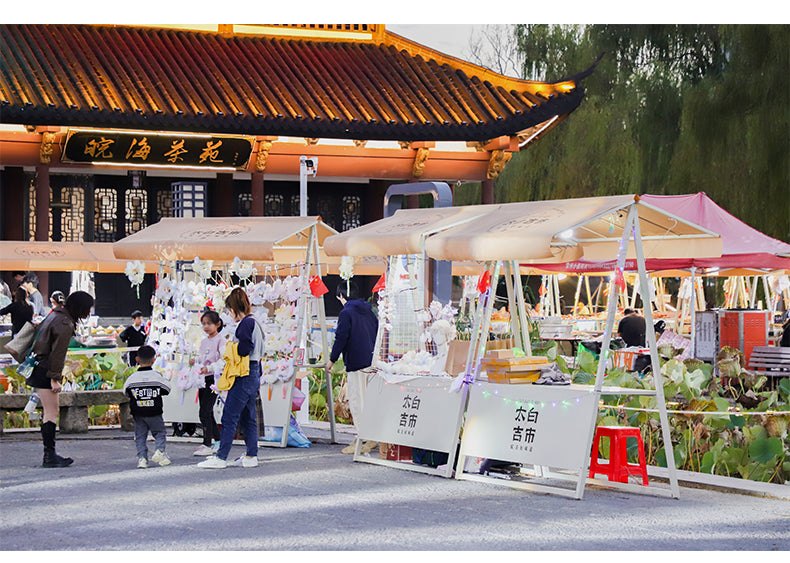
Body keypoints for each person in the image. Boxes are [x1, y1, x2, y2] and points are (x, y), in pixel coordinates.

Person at [27, 290, 94, 467]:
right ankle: (49, 456)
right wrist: (55, 378)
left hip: (39, 366)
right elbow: (58, 353)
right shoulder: (65, 323)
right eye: (88, 308)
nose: (88, 313)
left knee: (50, 410)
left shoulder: (55, 315)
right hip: (46, 369)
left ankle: (49, 454)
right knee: (51, 411)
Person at [198, 287, 263, 469]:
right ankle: (251, 456)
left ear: (233, 308)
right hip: (254, 372)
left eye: (228, 310)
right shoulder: (255, 323)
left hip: (243, 373)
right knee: (248, 416)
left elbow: (244, 349)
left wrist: (230, 348)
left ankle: (221, 457)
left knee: (229, 416)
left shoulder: (245, 324)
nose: (228, 314)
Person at [326, 281, 379, 455]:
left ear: (342, 296)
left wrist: (332, 360)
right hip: (372, 362)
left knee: (357, 401)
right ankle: (369, 437)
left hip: (356, 362)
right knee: (369, 401)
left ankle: (362, 439)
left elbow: (341, 337)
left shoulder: (346, 312)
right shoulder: (370, 311)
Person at [122, 344, 172, 468]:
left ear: (137, 359)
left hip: (138, 413)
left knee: (140, 436)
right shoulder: (157, 376)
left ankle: (142, 459)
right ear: (154, 360)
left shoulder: (132, 378)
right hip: (154, 411)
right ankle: (160, 451)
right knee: (160, 433)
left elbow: (126, 392)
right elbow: (167, 389)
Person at [192, 309, 226, 456]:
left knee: (205, 411)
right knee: (205, 410)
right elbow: (202, 358)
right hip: (203, 379)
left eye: (209, 324)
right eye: (204, 324)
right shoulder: (204, 341)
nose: (206, 327)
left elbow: (224, 360)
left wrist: (210, 368)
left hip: (214, 379)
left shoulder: (221, 340)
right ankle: (217, 441)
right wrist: (196, 361)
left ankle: (207, 443)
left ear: (217, 324)